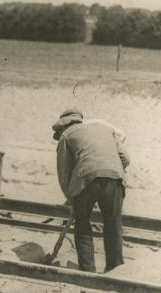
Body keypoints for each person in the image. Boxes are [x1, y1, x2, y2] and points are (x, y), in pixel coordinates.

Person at [53, 108, 131, 273]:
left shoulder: (66, 136)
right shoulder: (104, 128)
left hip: (85, 179)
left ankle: (87, 271)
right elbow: (125, 158)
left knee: (82, 225)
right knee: (113, 224)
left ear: (62, 126)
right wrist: (113, 169)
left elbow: (64, 174)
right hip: (115, 177)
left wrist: (72, 199)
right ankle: (115, 271)